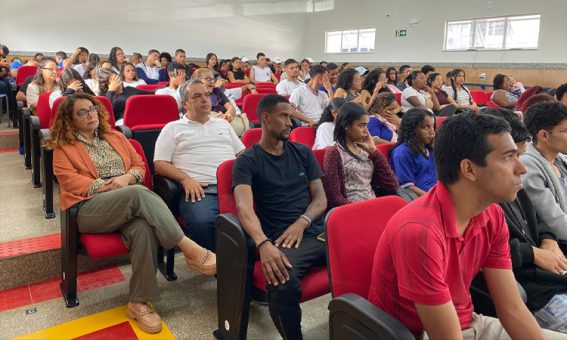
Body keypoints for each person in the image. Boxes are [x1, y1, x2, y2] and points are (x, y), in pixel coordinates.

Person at [368, 112, 566, 339]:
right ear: (469, 169)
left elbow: (512, 309)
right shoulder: (420, 231)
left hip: (469, 322)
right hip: (419, 334)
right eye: (508, 157)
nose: (522, 168)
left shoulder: (492, 215)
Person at [48, 93, 216, 335]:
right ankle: (189, 248)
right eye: (82, 112)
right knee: (138, 193)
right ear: (69, 119)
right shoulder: (64, 146)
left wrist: (126, 178)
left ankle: (138, 303)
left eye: (92, 109)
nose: (91, 114)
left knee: (143, 229)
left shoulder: (115, 136)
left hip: (127, 201)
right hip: (90, 208)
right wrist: (108, 186)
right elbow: (70, 181)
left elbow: (139, 164)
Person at [233, 94, 327, 340]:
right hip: (281, 240)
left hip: (316, 231)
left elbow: (320, 199)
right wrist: (263, 244)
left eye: (291, 117)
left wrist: (302, 222)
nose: (290, 123)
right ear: (266, 118)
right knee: (281, 280)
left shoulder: (302, 152)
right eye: (284, 116)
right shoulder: (247, 161)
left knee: (369, 250)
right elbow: (244, 208)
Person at [485, 107, 567, 333]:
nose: (522, 168)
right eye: (512, 157)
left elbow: (539, 221)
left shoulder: (513, 188)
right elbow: (488, 252)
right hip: (539, 291)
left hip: (553, 275)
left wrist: (548, 239)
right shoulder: (480, 205)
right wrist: (532, 253)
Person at [154, 80, 245, 251]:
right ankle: (219, 267)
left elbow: (242, 154)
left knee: (266, 208)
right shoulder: (173, 128)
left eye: (206, 95)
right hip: (200, 190)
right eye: (197, 96)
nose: (205, 100)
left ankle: (244, 265)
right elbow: (159, 163)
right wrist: (185, 178)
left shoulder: (223, 124)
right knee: (203, 222)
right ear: (185, 104)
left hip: (233, 186)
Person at [322, 102, 398, 209]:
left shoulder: (367, 150)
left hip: (373, 204)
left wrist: (375, 152)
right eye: (361, 126)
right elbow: (334, 198)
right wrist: (360, 209)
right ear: (346, 125)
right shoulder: (334, 153)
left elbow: (392, 185)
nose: (366, 132)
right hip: (350, 210)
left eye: (367, 125)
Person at [522, 102, 567, 243]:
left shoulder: (560, 159)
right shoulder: (528, 166)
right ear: (544, 135)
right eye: (566, 131)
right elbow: (555, 223)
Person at [390, 108, 436, 196]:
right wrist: (431, 198)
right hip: (422, 198)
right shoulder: (402, 153)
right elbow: (408, 187)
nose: (432, 132)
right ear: (412, 129)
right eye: (425, 127)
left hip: (437, 191)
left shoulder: (430, 148)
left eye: (432, 126)